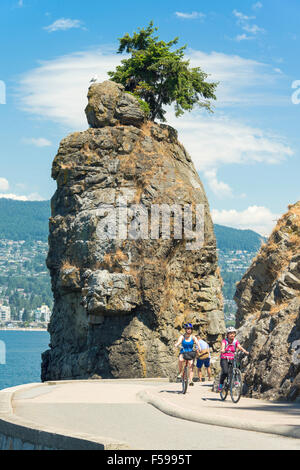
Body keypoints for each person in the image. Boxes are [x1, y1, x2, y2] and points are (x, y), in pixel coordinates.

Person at [218, 326, 249, 392]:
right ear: (227, 335)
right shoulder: (224, 341)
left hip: (232, 357)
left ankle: (236, 381)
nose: (232, 334)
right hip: (224, 358)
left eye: (233, 333)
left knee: (236, 367)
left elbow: (239, 347)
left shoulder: (235, 341)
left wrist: (245, 351)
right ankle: (221, 384)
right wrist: (223, 349)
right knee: (225, 372)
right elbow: (223, 346)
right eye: (230, 333)